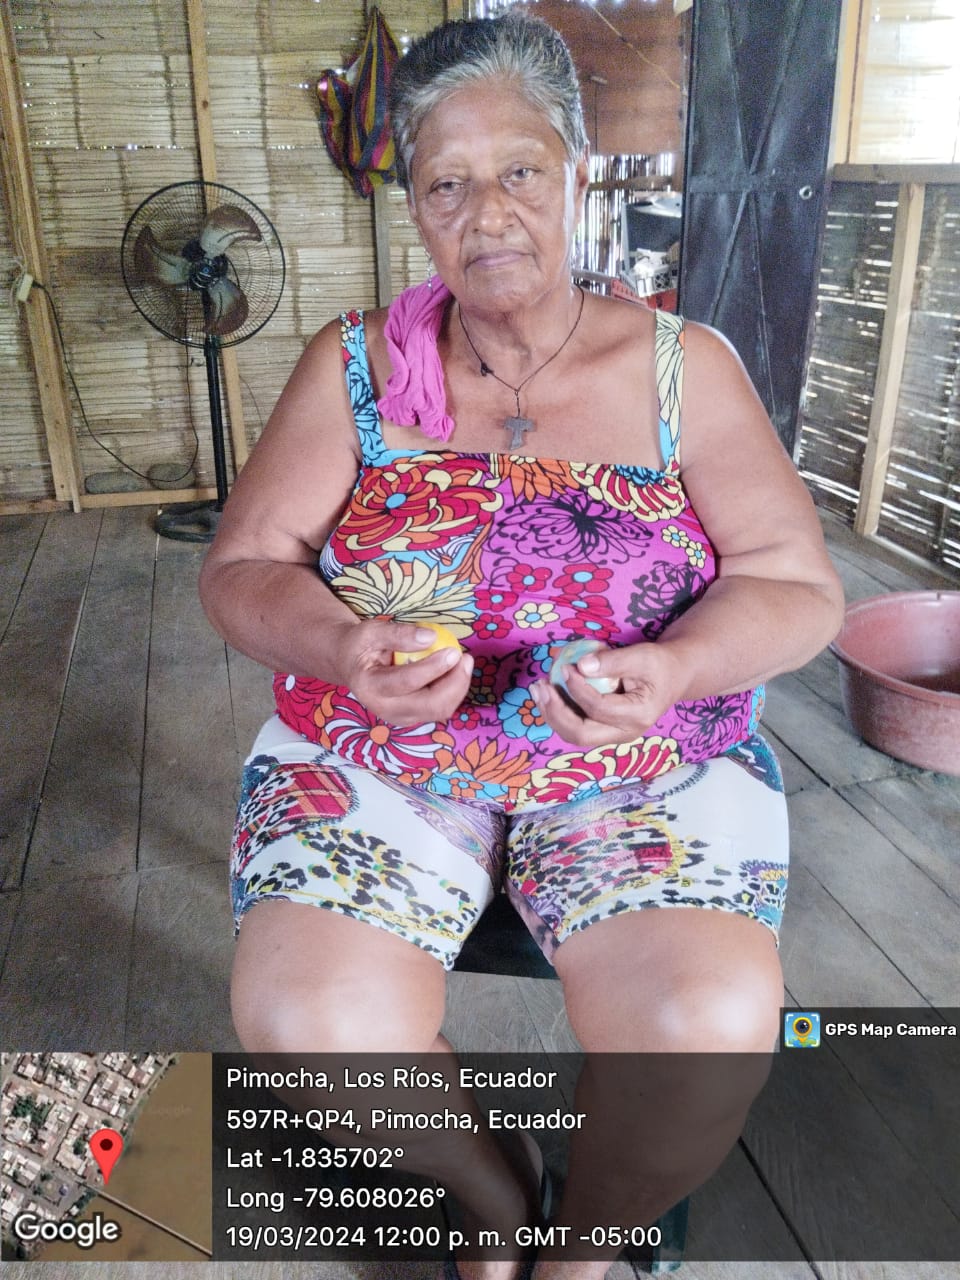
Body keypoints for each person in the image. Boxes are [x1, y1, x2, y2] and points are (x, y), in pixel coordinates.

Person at [199, 12, 844, 1279]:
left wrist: (674, 668)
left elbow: (797, 586)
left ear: (577, 173)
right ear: (412, 204)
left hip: (637, 762)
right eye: (447, 183)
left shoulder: (684, 370)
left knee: (702, 1028)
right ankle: (493, 1202)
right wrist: (345, 643)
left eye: (520, 172)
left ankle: (583, 1248)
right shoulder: (354, 369)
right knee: (311, 1017)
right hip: (382, 756)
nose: (486, 213)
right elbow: (241, 568)